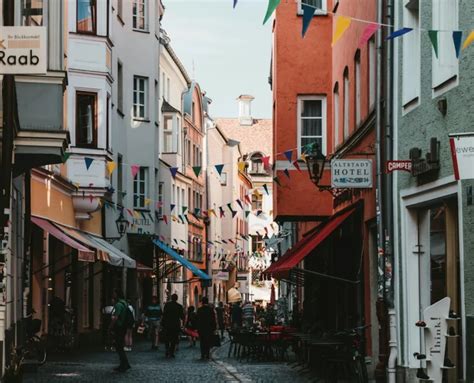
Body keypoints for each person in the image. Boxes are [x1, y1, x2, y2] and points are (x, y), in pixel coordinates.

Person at [109, 289, 131, 372]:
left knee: (119, 346)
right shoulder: (124, 303)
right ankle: (124, 364)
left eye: (114, 293)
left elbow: (115, 317)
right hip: (123, 326)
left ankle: (124, 364)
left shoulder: (118, 304)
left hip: (119, 327)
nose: (113, 295)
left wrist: (110, 326)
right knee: (120, 346)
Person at [161, 293, 184, 358]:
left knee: (167, 338)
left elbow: (164, 314)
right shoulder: (179, 306)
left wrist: (162, 323)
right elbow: (182, 316)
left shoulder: (167, 305)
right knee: (174, 339)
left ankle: (167, 349)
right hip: (175, 324)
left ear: (171, 298)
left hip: (167, 324)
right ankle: (171, 352)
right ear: (176, 299)